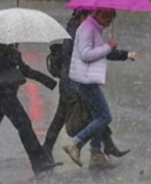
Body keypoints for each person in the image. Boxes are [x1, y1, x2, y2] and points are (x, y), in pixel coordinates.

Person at [0, 42, 60, 178]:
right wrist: (11, 52)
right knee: (24, 125)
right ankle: (39, 163)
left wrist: (49, 82)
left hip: (5, 92)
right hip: (2, 92)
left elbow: (24, 70)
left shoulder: (10, 48)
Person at [42, 10, 130, 159]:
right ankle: (92, 149)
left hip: (71, 79)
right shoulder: (81, 29)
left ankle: (100, 149)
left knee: (93, 114)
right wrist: (116, 51)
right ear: (83, 16)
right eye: (90, 15)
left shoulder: (77, 27)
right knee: (96, 116)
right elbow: (85, 55)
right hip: (74, 81)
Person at [62, 8, 137, 170]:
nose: (109, 21)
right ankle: (75, 144)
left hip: (87, 78)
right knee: (105, 117)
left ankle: (96, 154)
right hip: (86, 80)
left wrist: (122, 53)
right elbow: (86, 54)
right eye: (106, 16)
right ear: (97, 14)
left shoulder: (92, 28)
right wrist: (108, 47)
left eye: (111, 18)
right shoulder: (88, 28)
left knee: (97, 117)